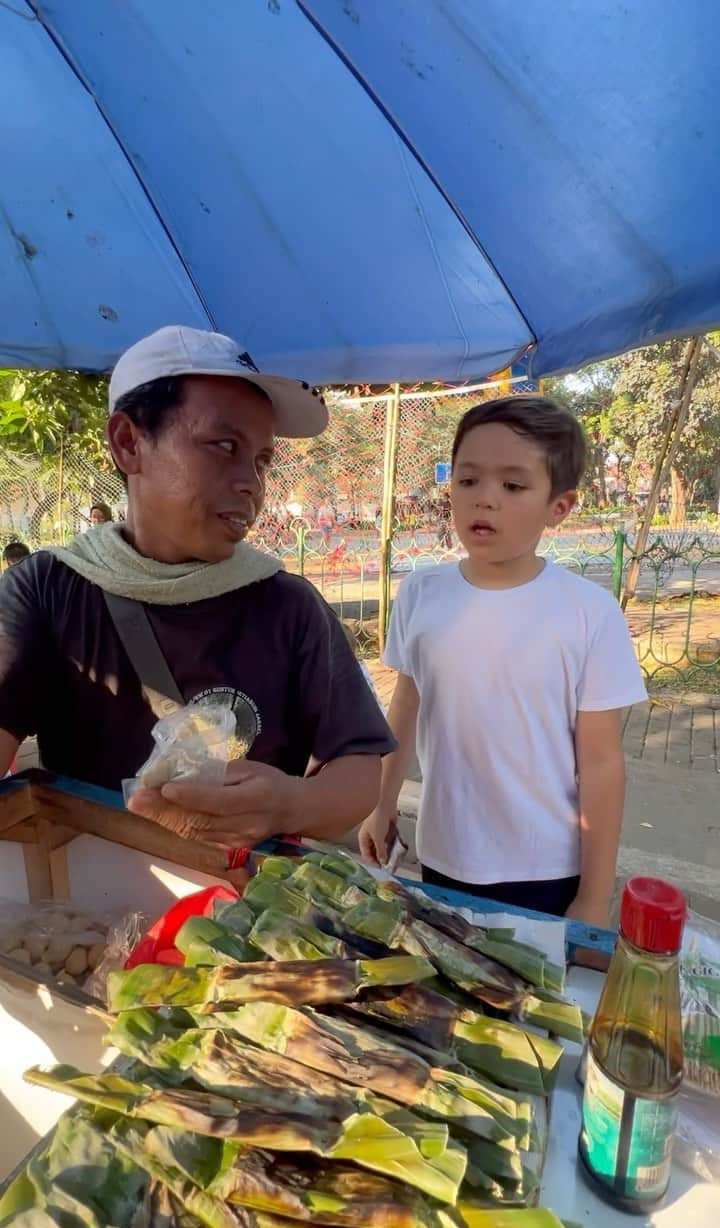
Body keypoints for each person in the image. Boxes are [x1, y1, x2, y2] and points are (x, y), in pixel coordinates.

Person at [0, 325, 394, 853]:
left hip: (242, 918)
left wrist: (289, 804)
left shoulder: (288, 606)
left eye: (260, 459)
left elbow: (360, 769)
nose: (251, 481)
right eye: (223, 446)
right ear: (128, 443)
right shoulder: (47, 589)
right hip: (92, 909)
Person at [359, 395, 646, 926]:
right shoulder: (422, 593)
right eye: (468, 480)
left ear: (558, 507)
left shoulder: (588, 613)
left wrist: (593, 896)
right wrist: (382, 805)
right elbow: (404, 707)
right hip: (444, 852)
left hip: (545, 867)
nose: (484, 500)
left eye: (512, 486)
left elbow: (602, 764)